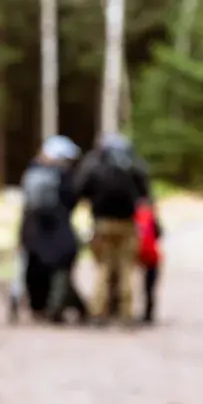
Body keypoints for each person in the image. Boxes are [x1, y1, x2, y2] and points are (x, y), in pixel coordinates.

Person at [72, 132, 151, 326]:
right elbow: (145, 193)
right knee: (126, 269)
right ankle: (126, 313)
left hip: (102, 224)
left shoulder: (95, 165)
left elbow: (80, 190)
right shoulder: (133, 165)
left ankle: (98, 312)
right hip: (127, 224)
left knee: (103, 268)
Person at [8, 135, 88, 325]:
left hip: (32, 231)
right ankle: (58, 310)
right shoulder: (65, 176)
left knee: (35, 271)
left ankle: (39, 308)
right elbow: (73, 201)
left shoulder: (31, 173)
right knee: (61, 272)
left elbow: (27, 205)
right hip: (59, 231)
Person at [133, 197, 163, 324]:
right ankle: (148, 313)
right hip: (152, 257)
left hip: (135, 255)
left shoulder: (134, 217)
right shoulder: (152, 218)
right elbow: (159, 234)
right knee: (149, 288)